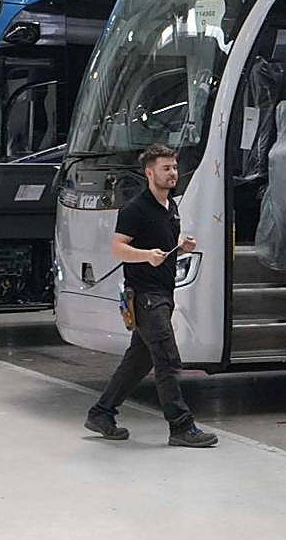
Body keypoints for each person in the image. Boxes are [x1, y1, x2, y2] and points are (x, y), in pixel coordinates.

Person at [84, 143, 219, 448]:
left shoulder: (170, 206)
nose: (172, 173)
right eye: (165, 168)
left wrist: (180, 246)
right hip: (146, 298)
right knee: (168, 360)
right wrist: (146, 255)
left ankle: (101, 413)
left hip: (163, 294)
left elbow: (162, 243)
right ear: (149, 173)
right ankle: (181, 426)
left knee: (139, 361)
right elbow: (118, 248)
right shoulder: (136, 209)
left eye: (174, 167)